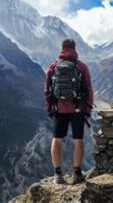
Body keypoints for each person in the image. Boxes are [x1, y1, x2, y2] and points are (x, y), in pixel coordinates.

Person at [44, 39, 94, 184]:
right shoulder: (81, 67)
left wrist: (50, 108)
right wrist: (88, 109)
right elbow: (89, 89)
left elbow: (47, 90)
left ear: (62, 48)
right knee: (78, 140)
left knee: (57, 140)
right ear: (74, 48)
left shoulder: (53, 66)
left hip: (59, 108)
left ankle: (57, 174)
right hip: (77, 108)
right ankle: (77, 173)